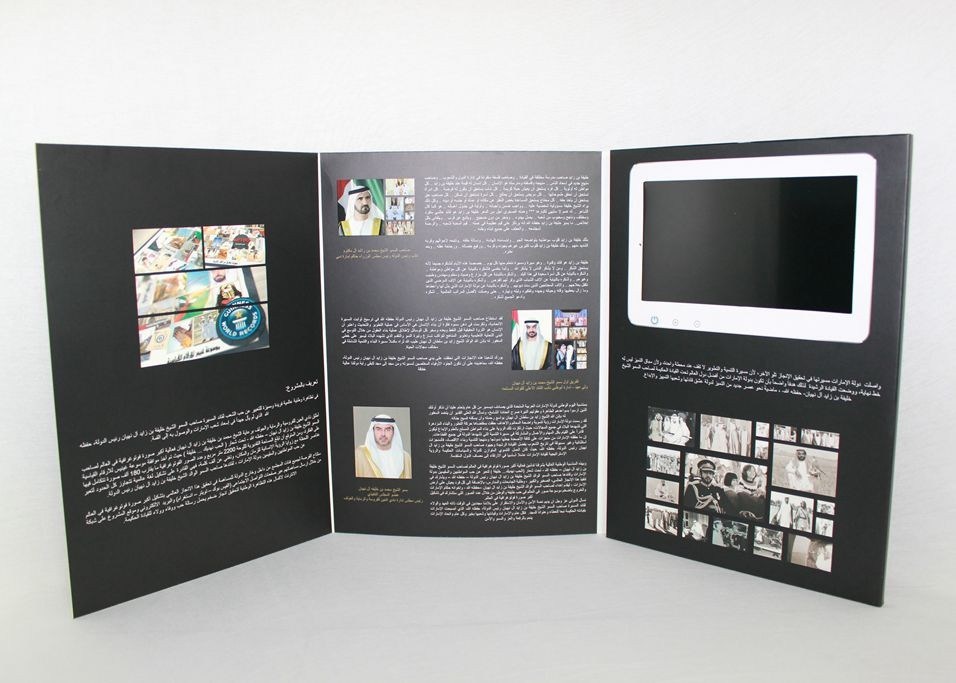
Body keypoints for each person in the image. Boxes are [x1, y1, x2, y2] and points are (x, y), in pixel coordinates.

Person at [354, 414, 411, 479]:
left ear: (393, 432)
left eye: (387, 429)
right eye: (379, 429)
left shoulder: (405, 457)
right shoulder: (360, 454)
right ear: (373, 431)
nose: (383, 434)